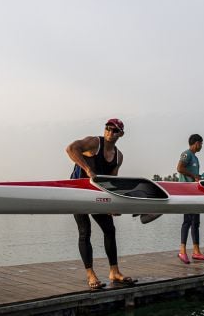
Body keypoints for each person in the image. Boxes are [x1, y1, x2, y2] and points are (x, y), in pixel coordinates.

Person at [66, 118, 136, 289]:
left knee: (110, 230)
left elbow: (112, 181)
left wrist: (114, 205)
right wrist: (87, 168)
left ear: (121, 134)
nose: (110, 132)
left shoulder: (118, 156)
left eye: (115, 130)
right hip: (79, 192)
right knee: (85, 232)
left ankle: (114, 272)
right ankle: (91, 275)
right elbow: (70, 149)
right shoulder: (94, 143)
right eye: (108, 128)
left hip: (97, 195)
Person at [176, 134, 204, 263]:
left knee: (196, 222)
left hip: (195, 193)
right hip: (186, 193)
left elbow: (195, 177)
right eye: (201, 143)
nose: (201, 146)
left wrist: (202, 176)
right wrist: (193, 175)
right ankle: (182, 251)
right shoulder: (187, 154)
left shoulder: (195, 158)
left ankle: (196, 252)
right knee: (187, 221)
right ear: (196, 143)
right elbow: (179, 168)